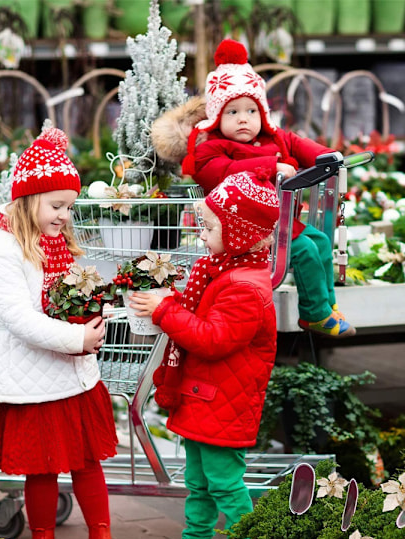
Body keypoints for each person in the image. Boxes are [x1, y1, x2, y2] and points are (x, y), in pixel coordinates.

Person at [0, 125, 125, 539]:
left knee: (86, 462)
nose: (65, 216)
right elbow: (21, 320)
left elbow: (70, 294)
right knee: (39, 469)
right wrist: (77, 339)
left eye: (69, 208)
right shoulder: (2, 254)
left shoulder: (55, 243)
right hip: (33, 375)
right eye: (57, 206)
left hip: (73, 373)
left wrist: (97, 305)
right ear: (28, 200)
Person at [130, 169, 279, 539]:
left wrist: (164, 310)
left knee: (226, 485)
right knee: (197, 481)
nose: (202, 234)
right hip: (204, 399)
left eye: (212, 227)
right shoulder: (219, 268)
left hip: (225, 403)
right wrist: (170, 301)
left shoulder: (246, 288)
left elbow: (212, 339)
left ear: (239, 233)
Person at [151, 38, 355, 338]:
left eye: (252, 111)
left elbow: (299, 144)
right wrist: (271, 167)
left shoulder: (275, 138)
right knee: (305, 251)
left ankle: (327, 307)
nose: (243, 119)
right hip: (245, 232)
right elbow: (221, 173)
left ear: (263, 114)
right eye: (232, 112)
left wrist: (330, 159)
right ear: (217, 117)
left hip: (278, 222)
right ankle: (314, 313)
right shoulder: (212, 148)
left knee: (322, 243)